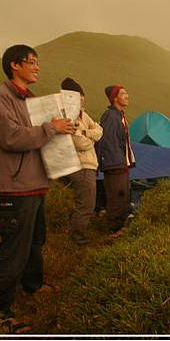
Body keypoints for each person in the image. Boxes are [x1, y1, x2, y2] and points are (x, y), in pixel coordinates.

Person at [0, 44, 75, 333]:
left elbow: (39, 136)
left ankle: (33, 286)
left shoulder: (29, 99)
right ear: (15, 64)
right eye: (32, 62)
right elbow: (12, 138)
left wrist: (60, 130)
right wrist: (51, 129)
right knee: (14, 249)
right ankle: (0, 311)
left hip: (35, 184)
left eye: (37, 62)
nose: (37, 67)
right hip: (15, 188)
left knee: (35, 241)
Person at [60, 77, 103, 246]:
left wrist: (86, 133)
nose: (82, 100)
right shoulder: (68, 115)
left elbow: (100, 130)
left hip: (87, 164)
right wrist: (90, 135)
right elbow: (81, 143)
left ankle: (77, 237)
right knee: (86, 204)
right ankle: (78, 241)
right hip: (81, 165)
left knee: (85, 203)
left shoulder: (82, 114)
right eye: (79, 97)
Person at [95, 85, 136, 236]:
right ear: (114, 98)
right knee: (117, 195)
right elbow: (107, 141)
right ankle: (113, 230)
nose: (127, 96)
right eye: (123, 93)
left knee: (122, 195)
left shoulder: (119, 115)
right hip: (115, 164)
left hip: (120, 163)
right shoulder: (110, 116)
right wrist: (116, 161)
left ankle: (118, 227)